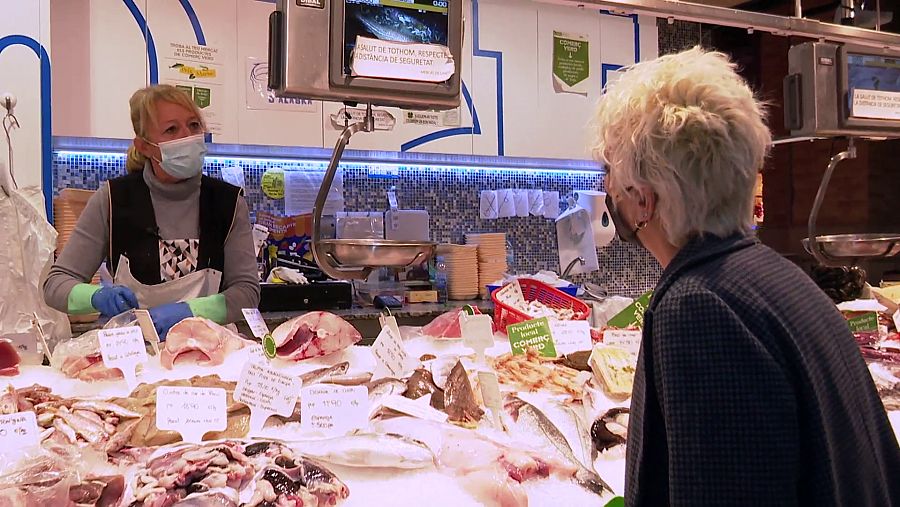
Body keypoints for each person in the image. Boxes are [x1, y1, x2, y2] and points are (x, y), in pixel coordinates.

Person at [592, 47, 900, 506]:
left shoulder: (699, 307)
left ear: (643, 200)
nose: (608, 190)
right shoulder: (782, 279)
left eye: (611, 176)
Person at [44, 84, 260, 339]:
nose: (187, 136)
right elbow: (55, 285)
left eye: (193, 125)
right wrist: (96, 296)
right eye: (171, 129)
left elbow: (247, 293)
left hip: (210, 354)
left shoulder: (229, 203)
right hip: (134, 357)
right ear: (145, 146)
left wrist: (190, 311)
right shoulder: (113, 200)